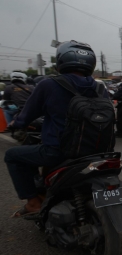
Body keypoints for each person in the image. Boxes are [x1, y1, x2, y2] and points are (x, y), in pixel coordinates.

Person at [4, 40, 108, 217]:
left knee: (13, 156)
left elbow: (27, 114)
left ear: (61, 60)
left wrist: (16, 123)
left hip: (59, 151)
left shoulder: (49, 84)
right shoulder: (99, 87)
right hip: (98, 150)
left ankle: (33, 202)